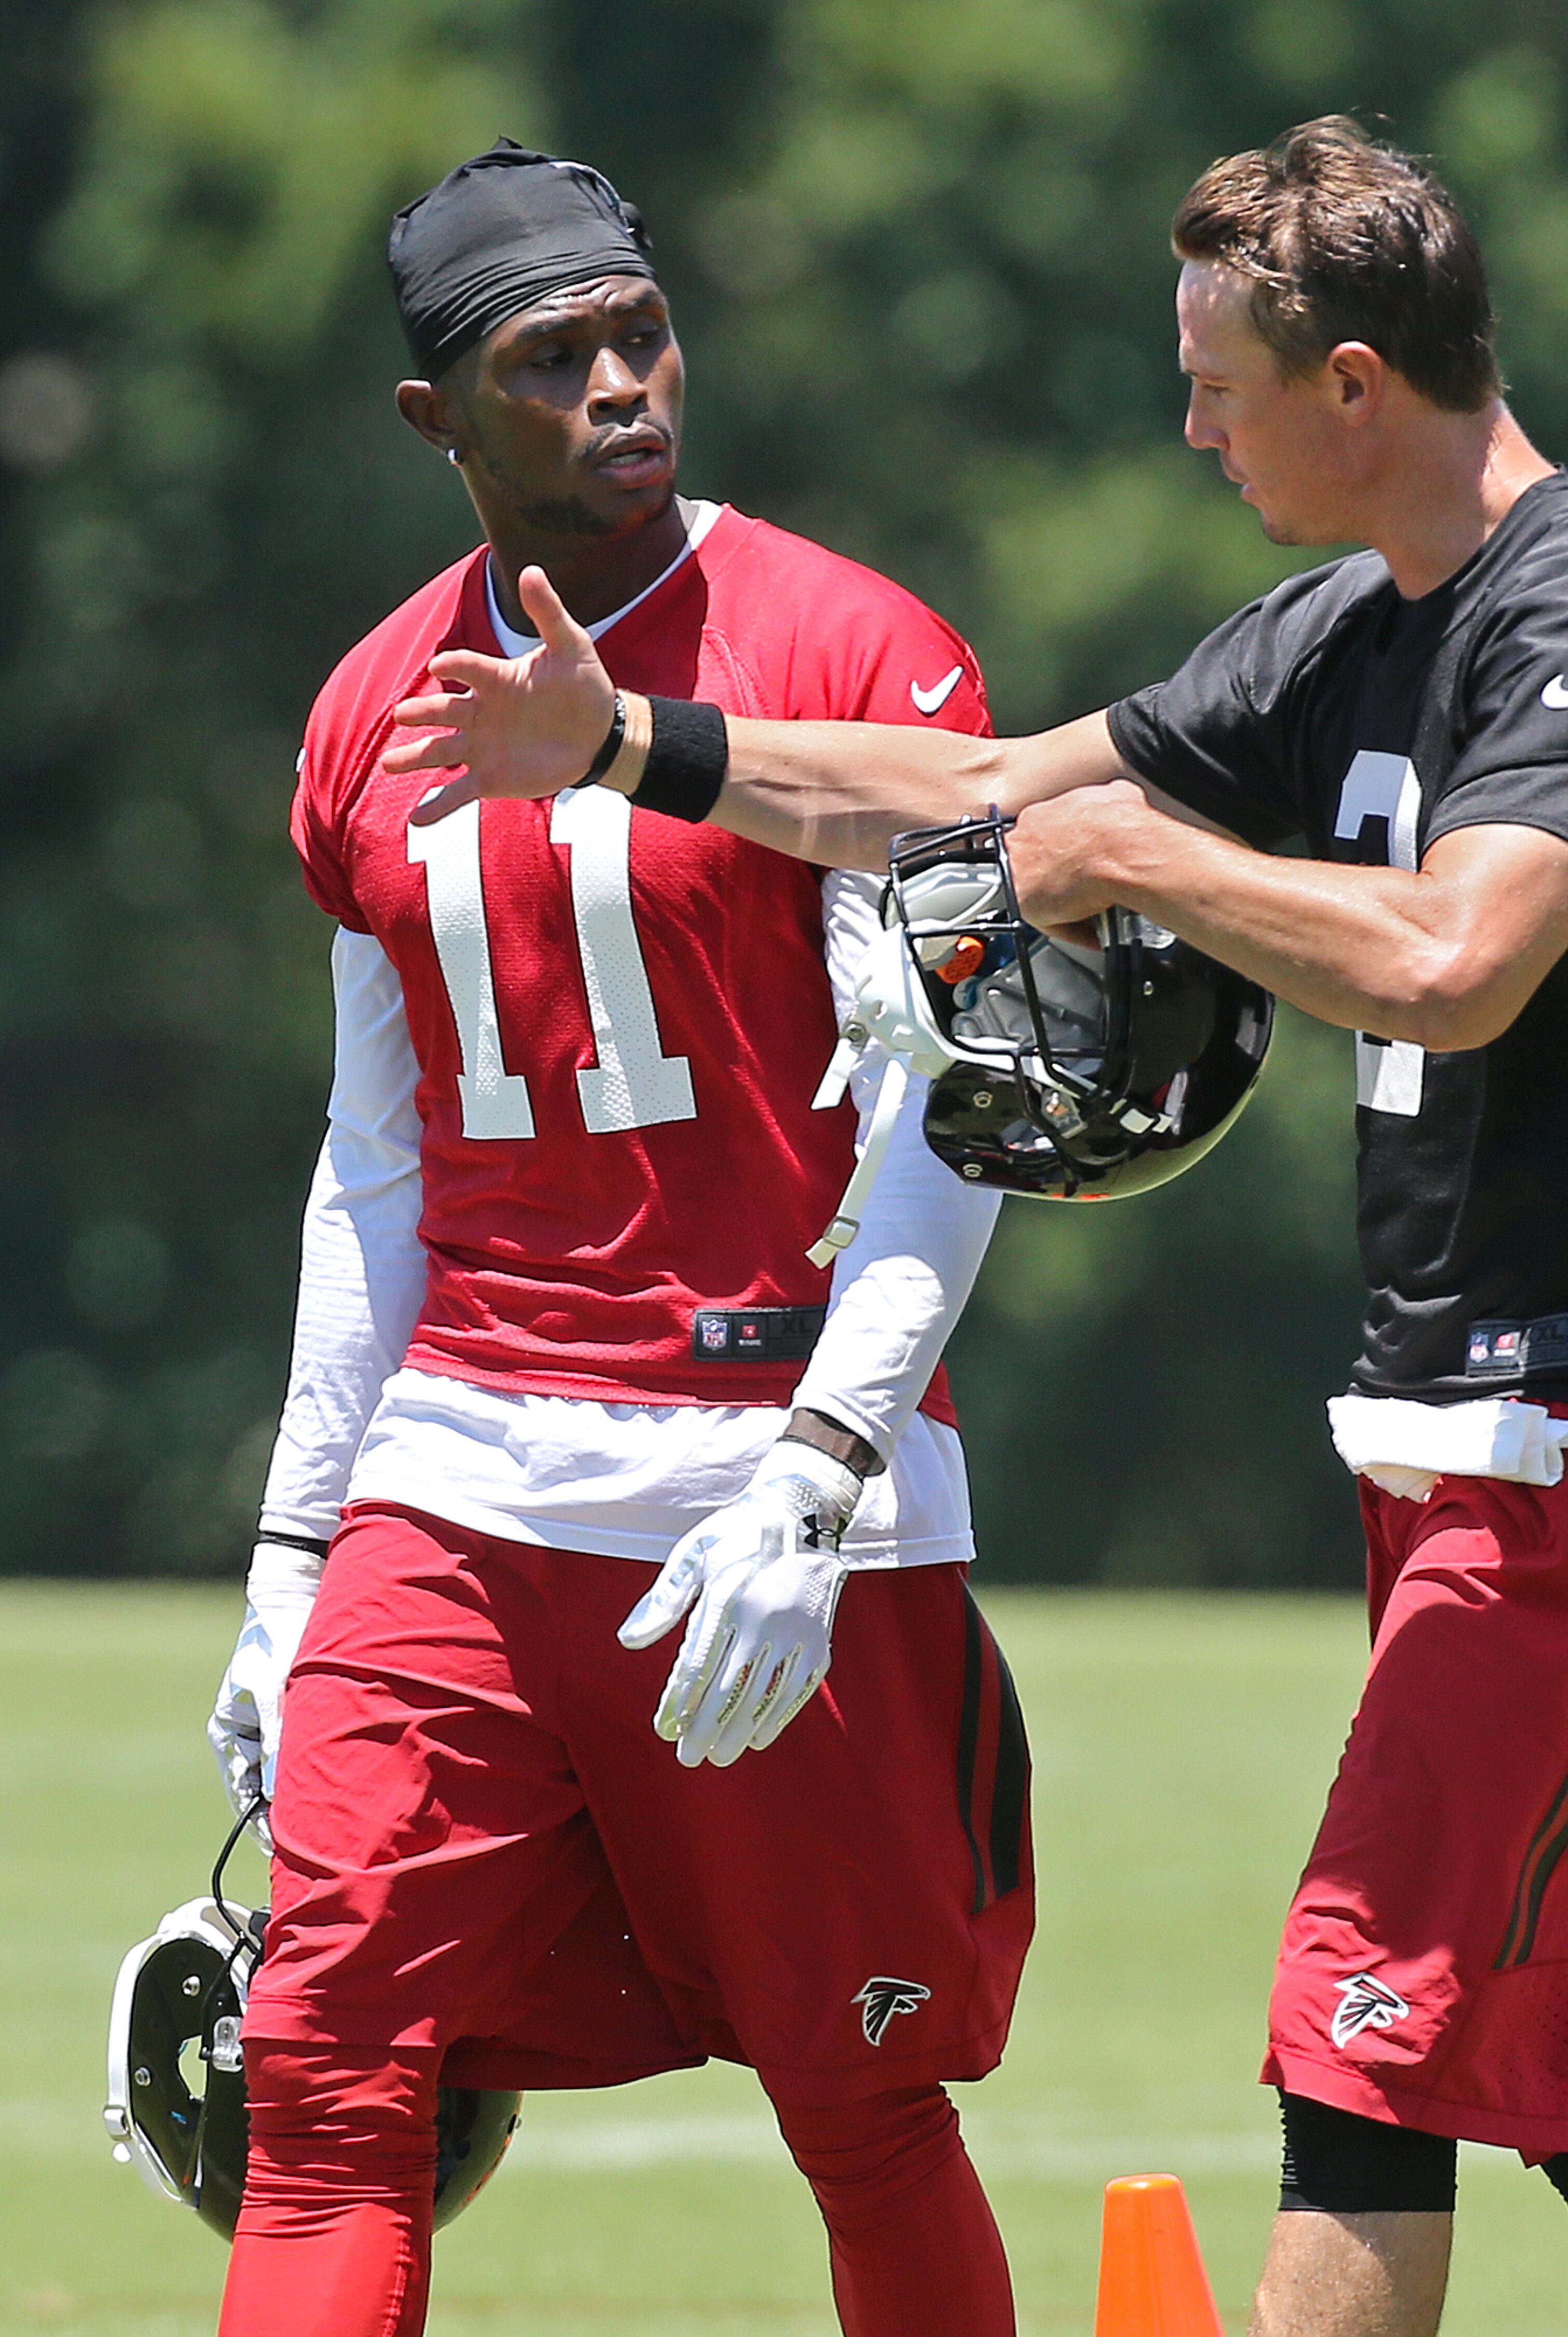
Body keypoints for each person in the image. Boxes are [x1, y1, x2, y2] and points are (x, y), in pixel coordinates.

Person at [390, 116, 1568, 2337]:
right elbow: (987, 797)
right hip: (1485, 1458)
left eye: (1222, 388)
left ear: (1357, 389)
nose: (1191, 427)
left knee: (1357, 2035)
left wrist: (1152, 865)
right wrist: (632, 747)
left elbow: (1455, 960)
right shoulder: (1339, 630)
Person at [206, 140, 1034, 2337]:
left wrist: (829, 1461)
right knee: (320, 2079)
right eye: (548, 358)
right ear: (438, 423)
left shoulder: (849, 645)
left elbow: (959, 1101)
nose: (621, 387)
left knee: (860, 2100)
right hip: (462, 1474)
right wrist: (298, 1556)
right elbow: (371, 1164)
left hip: (759, 1477)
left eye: (639, 334)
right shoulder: (366, 711)